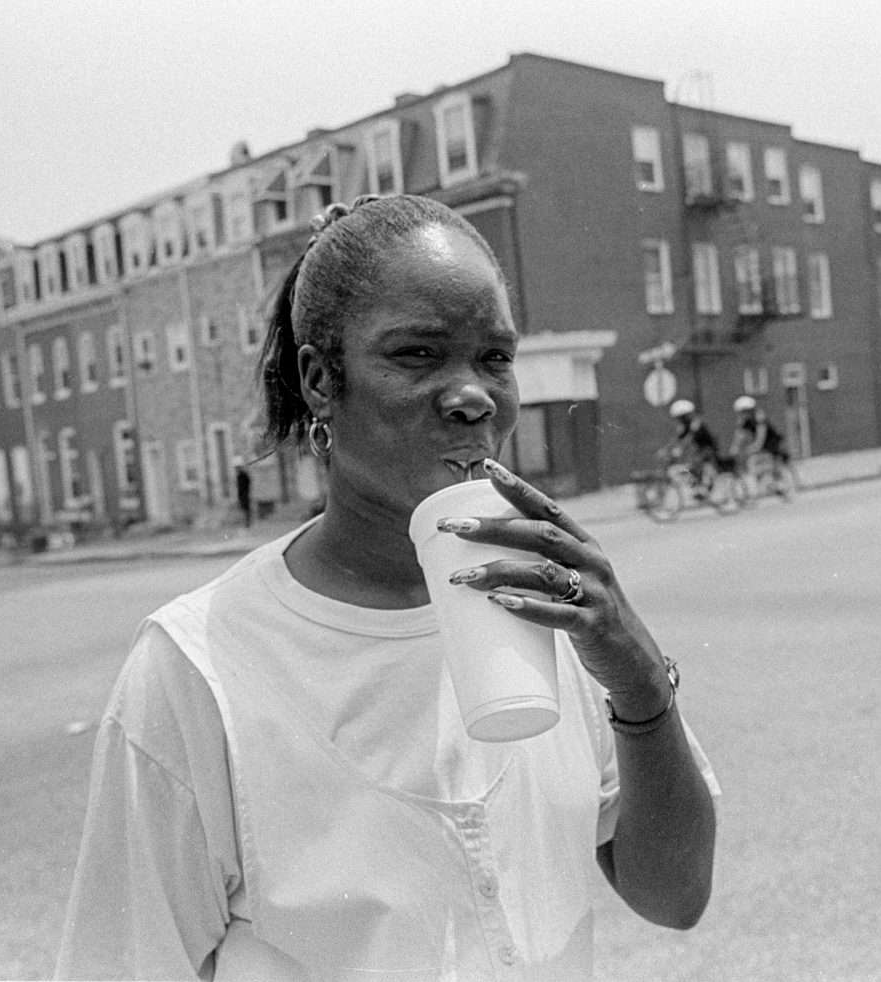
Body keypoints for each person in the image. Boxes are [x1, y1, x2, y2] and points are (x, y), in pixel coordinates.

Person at [56, 194, 718, 980]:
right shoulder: (197, 667)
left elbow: (674, 895)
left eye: (495, 358)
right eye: (418, 354)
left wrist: (639, 680)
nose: (473, 394)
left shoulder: (554, 609)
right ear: (319, 380)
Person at [664, 398, 725, 495]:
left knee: (695, 463)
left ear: (686, 416)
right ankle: (696, 486)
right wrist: (666, 449)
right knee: (688, 467)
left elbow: (689, 438)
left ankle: (703, 487)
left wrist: (680, 449)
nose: (679, 420)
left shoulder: (696, 424)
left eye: (680, 417)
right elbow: (677, 438)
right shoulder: (685, 426)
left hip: (708, 450)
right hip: (699, 451)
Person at [233, 456, 253, 528]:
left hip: (245, 494)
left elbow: (247, 484)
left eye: (237, 468)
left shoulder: (243, 475)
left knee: (246, 509)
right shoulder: (239, 476)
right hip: (242, 495)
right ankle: (245, 522)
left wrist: (245, 493)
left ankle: (247, 523)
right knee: (243, 508)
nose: (236, 469)